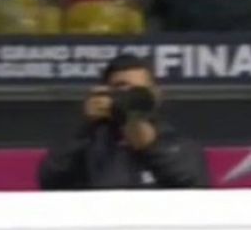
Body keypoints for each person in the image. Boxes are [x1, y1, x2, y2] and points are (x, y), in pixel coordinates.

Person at [37, 54, 211, 190]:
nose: (131, 95)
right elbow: (50, 180)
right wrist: (86, 127)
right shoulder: (89, 142)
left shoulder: (176, 139)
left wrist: (150, 145)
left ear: (157, 95)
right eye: (122, 88)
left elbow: (195, 183)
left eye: (140, 90)